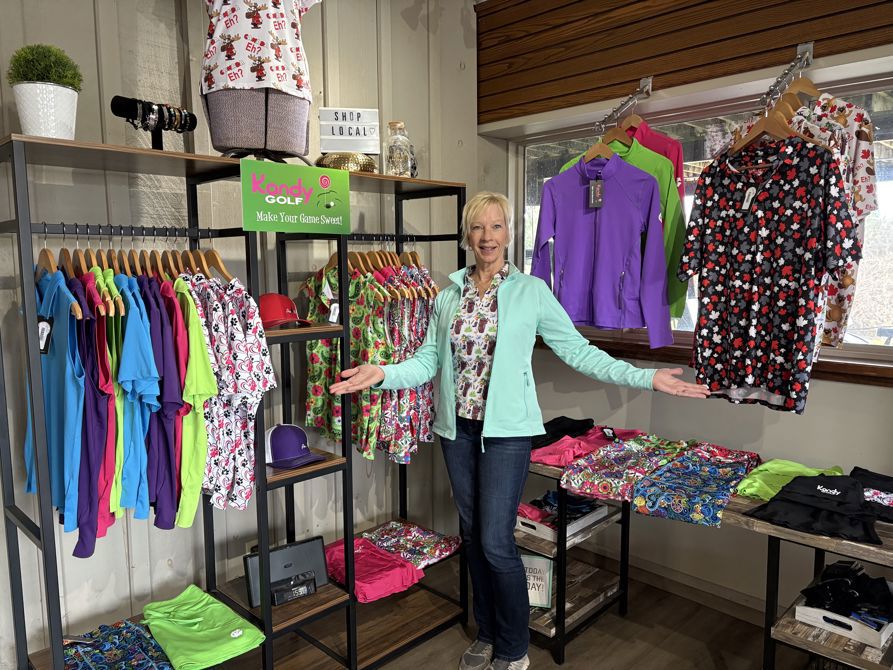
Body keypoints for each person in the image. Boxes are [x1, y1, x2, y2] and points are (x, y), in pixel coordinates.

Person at [330, 191, 709, 670]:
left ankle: (513, 649)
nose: (487, 236)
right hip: (456, 432)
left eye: (496, 226)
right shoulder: (448, 295)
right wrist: (382, 372)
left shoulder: (531, 292)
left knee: (495, 541)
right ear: (467, 235)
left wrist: (646, 377)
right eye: (478, 227)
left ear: (509, 233)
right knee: (473, 536)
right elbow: (428, 361)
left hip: (506, 435)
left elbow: (579, 351)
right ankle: (487, 632)